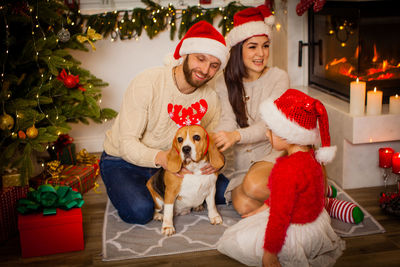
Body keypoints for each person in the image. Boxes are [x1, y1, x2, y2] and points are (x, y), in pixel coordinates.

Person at [99, 21, 229, 224]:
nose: (205, 70)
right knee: (140, 211)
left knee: (224, 192)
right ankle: (127, 188)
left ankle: (166, 191)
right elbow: (127, 143)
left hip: (178, 162)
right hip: (123, 161)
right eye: (200, 59)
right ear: (185, 54)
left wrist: (216, 163)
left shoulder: (210, 98)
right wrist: (163, 159)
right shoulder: (148, 82)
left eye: (214, 65)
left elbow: (208, 141)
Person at [217, 89, 345, 267]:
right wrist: (260, 209)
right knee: (254, 215)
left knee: (237, 240)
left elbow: (279, 218)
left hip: (296, 231)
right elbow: (287, 196)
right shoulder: (313, 156)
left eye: (271, 131)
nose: (266, 135)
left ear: (289, 135)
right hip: (317, 225)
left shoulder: (285, 168)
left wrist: (270, 254)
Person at [212, 5, 289, 213]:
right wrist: (220, 139)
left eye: (265, 46)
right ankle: (299, 198)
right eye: (253, 47)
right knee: (243, 206)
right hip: (241, 162)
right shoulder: (223, 82)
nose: (261, 54)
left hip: (270, 152)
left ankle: (313, 193)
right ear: (239, 49)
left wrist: (236, 136)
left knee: (254, 186)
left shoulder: (278, 77)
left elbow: (268, 126)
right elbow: (228, 120)